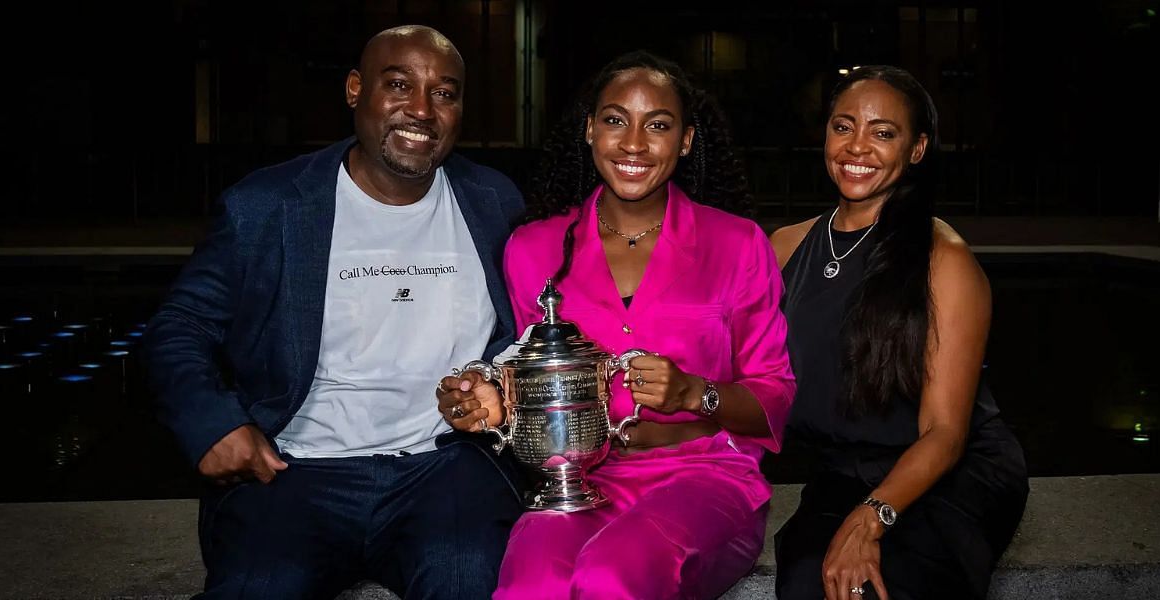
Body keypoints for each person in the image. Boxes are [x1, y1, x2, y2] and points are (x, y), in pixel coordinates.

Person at [143, 25, 525, 599]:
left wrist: (497, 382)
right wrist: (214, 423)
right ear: (355, 90)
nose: (421, 110)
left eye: (444, 93)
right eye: (399, 85)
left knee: (472, 580)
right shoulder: (266, 206)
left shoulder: (494, 201)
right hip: (296, 468)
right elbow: (178, 327)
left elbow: (520, 332)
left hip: (441, 467)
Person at [436, 51, 795, 599]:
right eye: (613, 120)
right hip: (579, 482)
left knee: (612, 574)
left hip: (706, 477)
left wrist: (696, 393)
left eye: (658, 125)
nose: (633, 143)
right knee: (532, 583)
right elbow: (531, 380)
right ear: (588, 130)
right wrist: (492, 402)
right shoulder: (532, 250)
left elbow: (773, 395)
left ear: (687, 141)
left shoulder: (738, 244)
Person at [769, 65, 1029, 600]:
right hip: (843, 470)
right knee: (803, 584)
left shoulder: (943, 259)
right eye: (843, 127)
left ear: (916, 149)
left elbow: (944, 432)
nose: (856, 146)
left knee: (883, 587)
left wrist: (871, 518)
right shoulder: (785, 248)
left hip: (949, 473)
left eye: (883, 133)